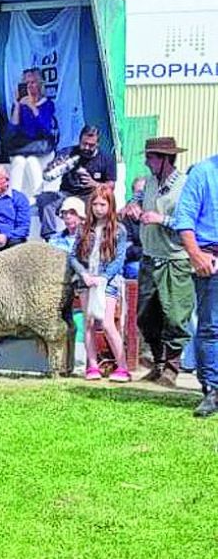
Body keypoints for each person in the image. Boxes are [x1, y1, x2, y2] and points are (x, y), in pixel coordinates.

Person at [124, 138, 192, 389]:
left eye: (150, 157)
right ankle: (158, 364)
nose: (146, 162)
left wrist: (161, 219)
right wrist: (133, 206)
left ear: (165, 158)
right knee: (146, 316)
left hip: (175, 259)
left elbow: (190, 221)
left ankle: (172, 369)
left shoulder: (185, 185)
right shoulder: (150, 182)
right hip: (150, 256)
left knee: (175, 316)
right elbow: (136, 199)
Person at [174, 152, 218, 416]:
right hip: (212, 259)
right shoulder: (203, 172)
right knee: (211, 326)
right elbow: (184, 218)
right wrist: (195, 254)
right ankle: (212, 390)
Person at [71, 186, 130, 382]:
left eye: (103, 204)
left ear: (110, 205)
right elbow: (73, 256)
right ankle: (92, 366)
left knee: (107, 323)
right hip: (86, 279)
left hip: (108, 280)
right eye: (95, 204)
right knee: (88, 322)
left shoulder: (119, 230)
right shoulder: (83, 229)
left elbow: (119, 259)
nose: (98, 208)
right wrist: (83, 273)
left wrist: (103, 277)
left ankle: (122, 367)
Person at [35, 125, 117, 241]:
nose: (86, 148)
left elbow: (111, 185)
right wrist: (54, 167)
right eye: (84, 144)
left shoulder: (106, 159)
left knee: (102, 203)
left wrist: (94, 184)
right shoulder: (67, 153)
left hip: (90, 195)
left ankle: (96, 236)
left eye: (91, 145)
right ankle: (50, 237)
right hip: (66, 193)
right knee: (44, 199)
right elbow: (47, 175)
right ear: (79, 140)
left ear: (97, 144)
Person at [7, 69, 58, 199]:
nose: (29, 86)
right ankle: (14, 198)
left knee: (32, 162)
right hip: (23, 147)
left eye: (33, 82)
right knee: (18, 161)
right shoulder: (20, 105)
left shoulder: (47, 104)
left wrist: (32, 107)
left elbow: (45, 129)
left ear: (40, 84)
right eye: (26, 83)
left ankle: (39, 198)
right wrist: (17, 105)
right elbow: (12, 129)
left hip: (40, 146)